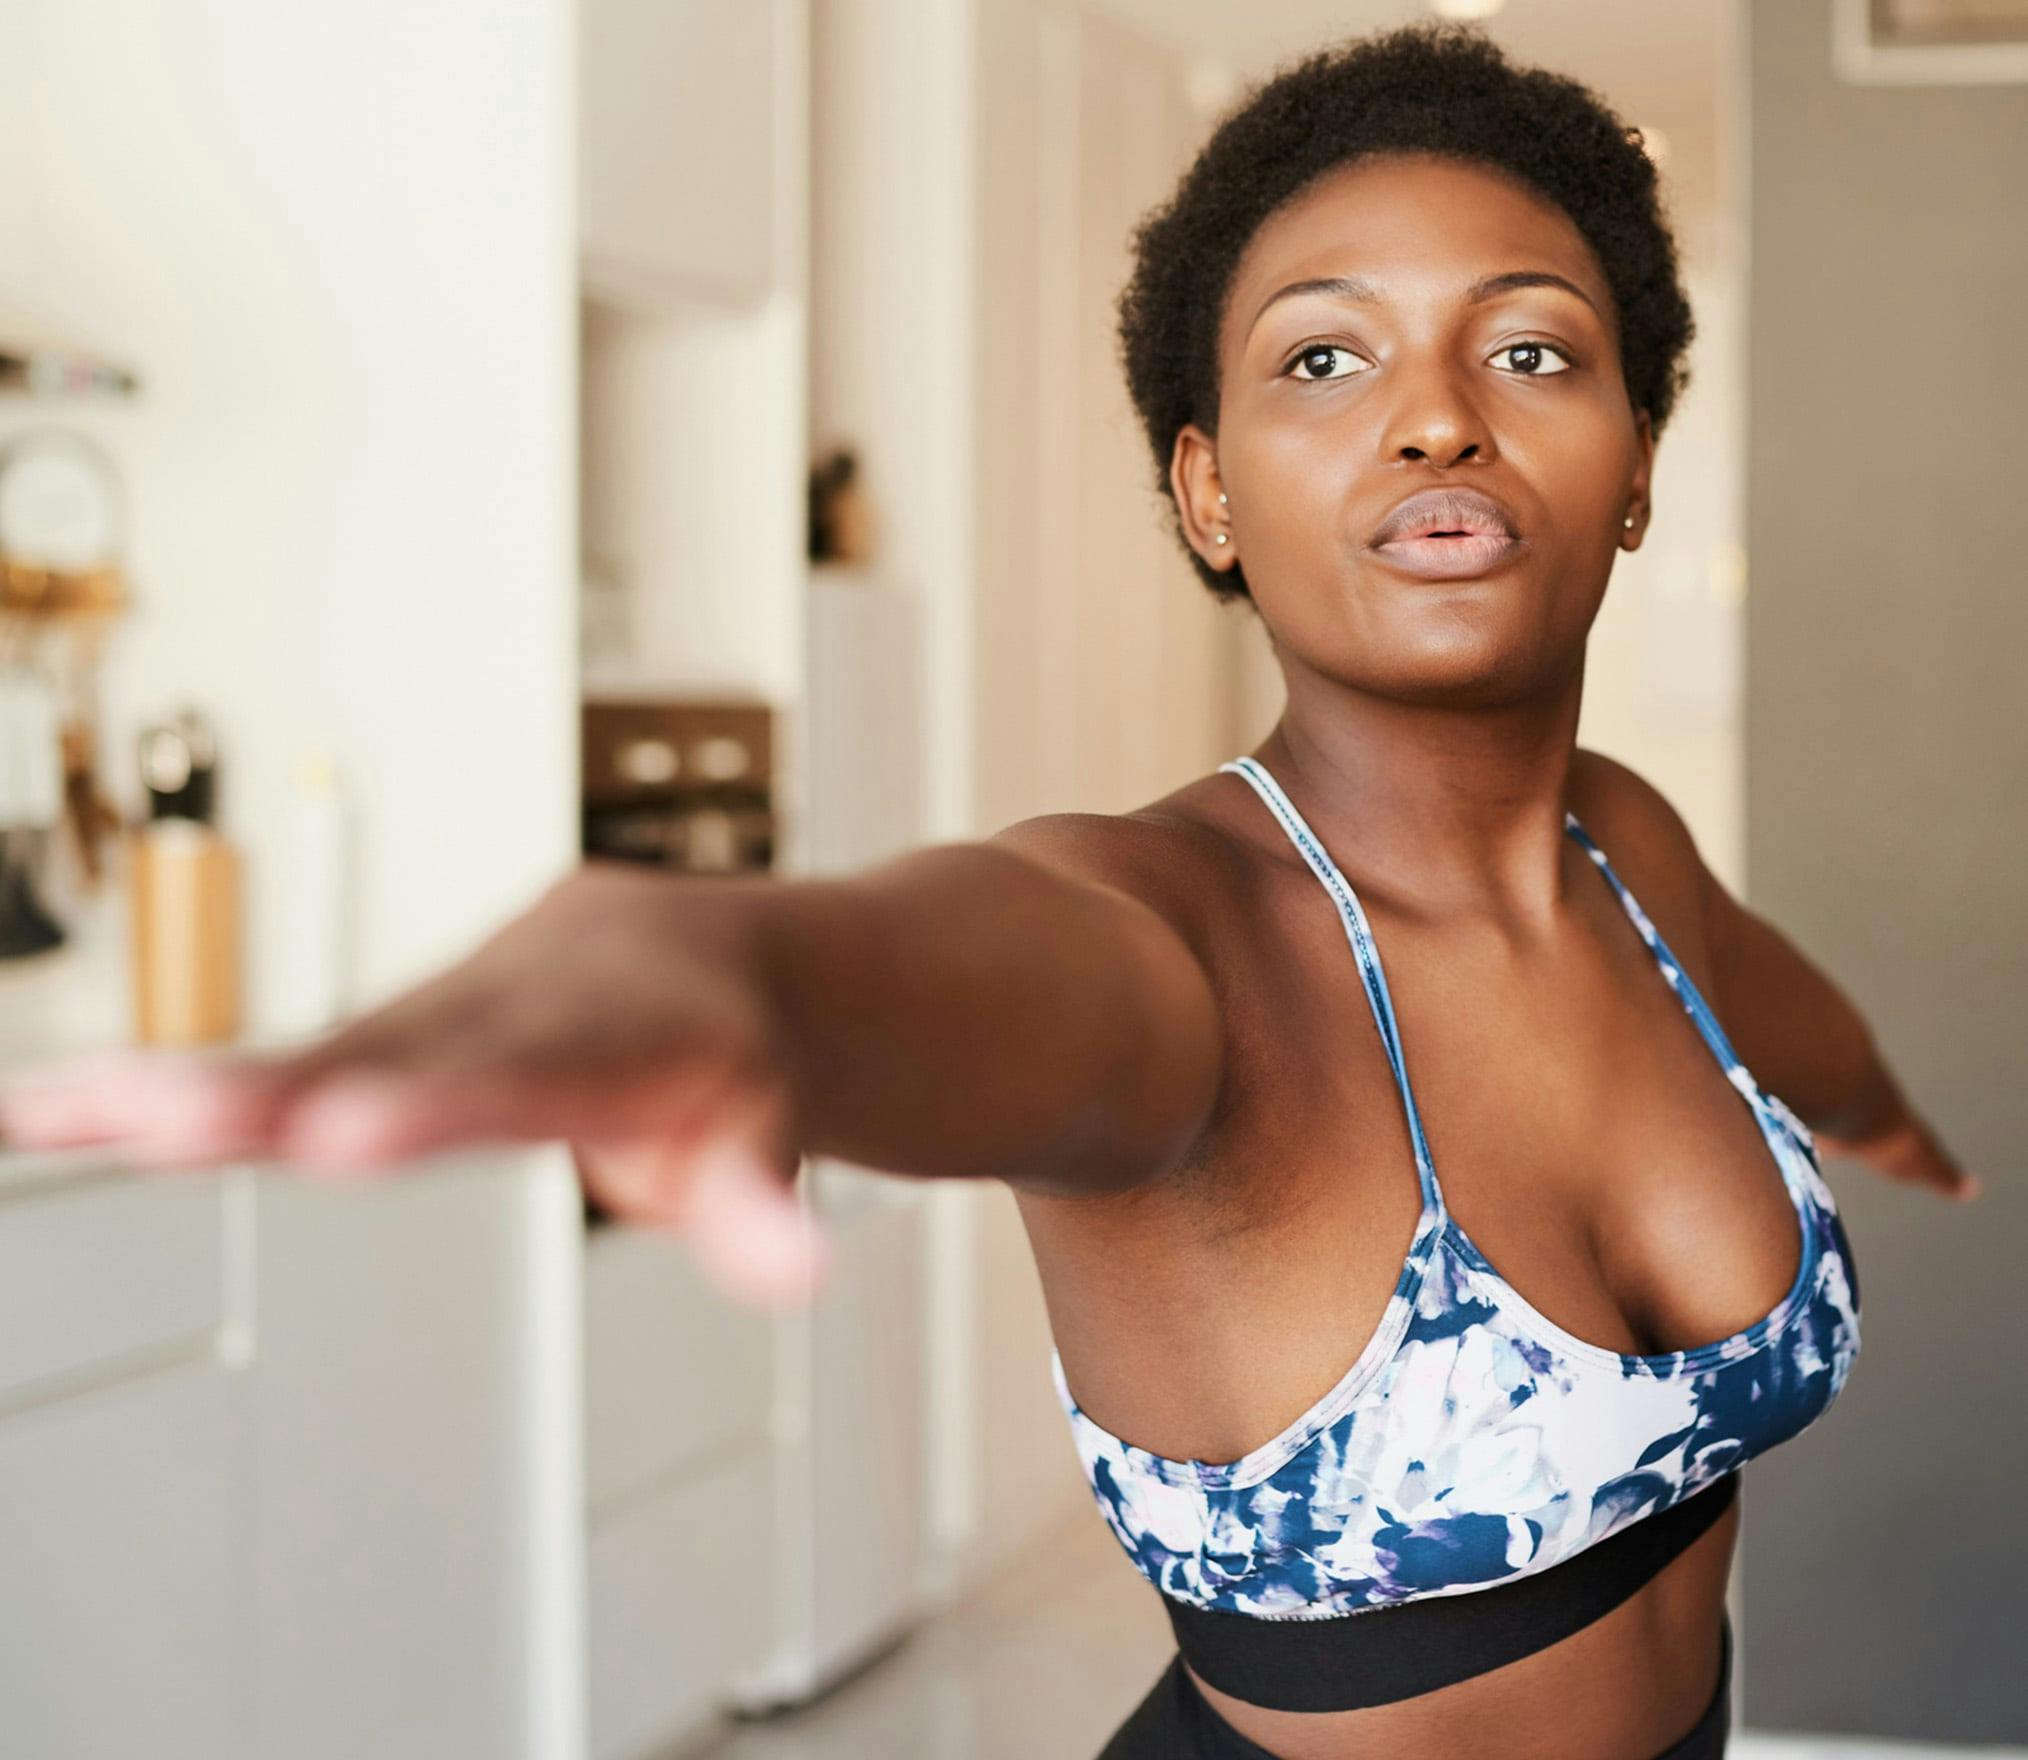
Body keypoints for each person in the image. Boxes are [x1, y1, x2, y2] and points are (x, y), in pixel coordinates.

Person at [0, 21, 1978, 1760]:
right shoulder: (1181, 934)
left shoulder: (1625, 852)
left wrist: (1886, 1110)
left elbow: (1770, 1004)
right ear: (1208, 492)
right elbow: (934, 961)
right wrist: (705, 964)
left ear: (1637, 462)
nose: (1439, 412)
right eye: (1324, 355)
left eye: (1531, 347)